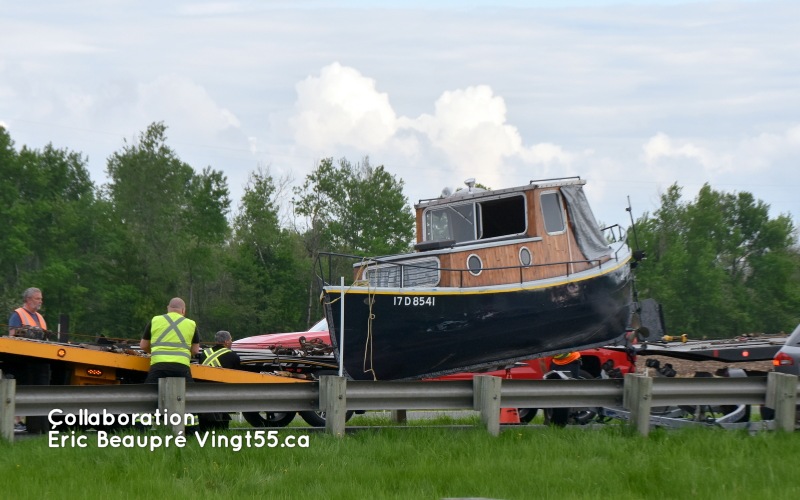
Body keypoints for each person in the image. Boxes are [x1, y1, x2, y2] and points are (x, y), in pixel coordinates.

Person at [6, 287, 51, 433]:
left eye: (41, 299)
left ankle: (35, 424)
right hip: (20, 361)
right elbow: (12, 336)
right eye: (37, 298)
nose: (40, 301)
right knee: (21, 389)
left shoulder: (40, 317)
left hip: (38, 361)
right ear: (28, 299)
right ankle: (17, 420)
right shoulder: (18, 314)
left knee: (37, 390)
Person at [140, 297, 200, 383]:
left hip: (158, 365)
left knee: (148, 393)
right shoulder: (191, 324)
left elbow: (143, 345)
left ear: (168, 308)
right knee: (189, 394)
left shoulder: (155, 320)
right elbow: (195, 350)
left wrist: (155, 352)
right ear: (183, 310)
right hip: (181, 367)